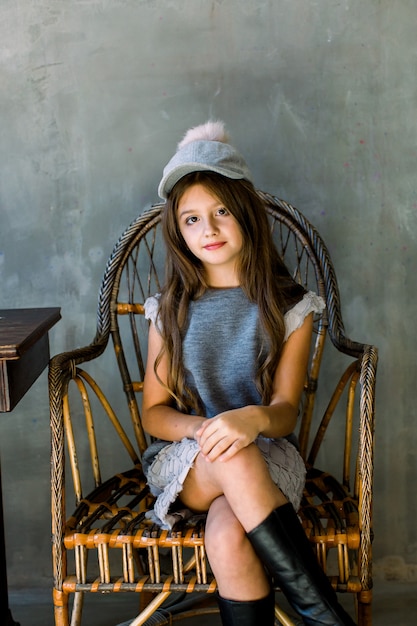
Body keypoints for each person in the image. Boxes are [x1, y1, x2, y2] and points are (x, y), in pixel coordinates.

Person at [141, 121, 356, 626]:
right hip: (189, 460)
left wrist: (251, 420)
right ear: (178, 230)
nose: (208, 230)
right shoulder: (168, 309)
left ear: (247, 215)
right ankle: (326, 618)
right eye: (191, 219)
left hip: (267, 454)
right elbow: (154, 413)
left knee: (225, 533)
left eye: (221, 213)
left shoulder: (290, 307)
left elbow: (285, 411)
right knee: (229, 452)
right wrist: (204, 429)